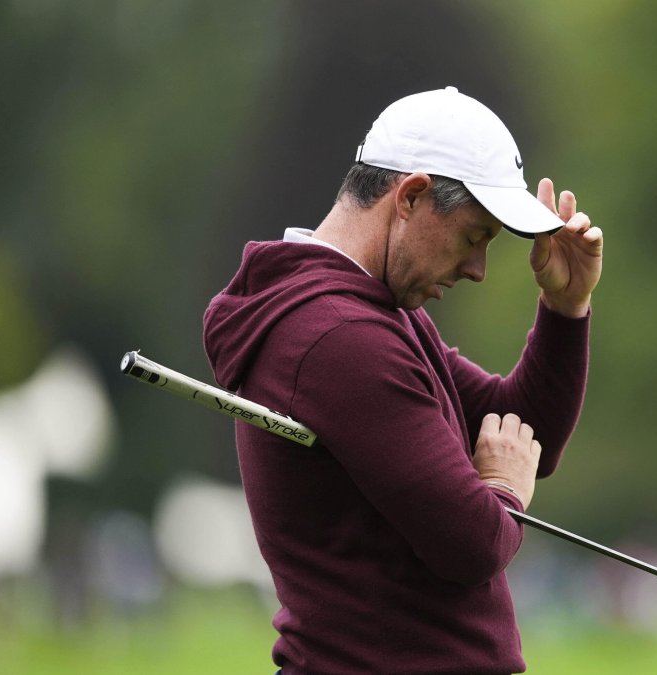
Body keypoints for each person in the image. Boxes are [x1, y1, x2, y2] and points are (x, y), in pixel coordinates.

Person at [202, 86, 602, 675]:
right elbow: (473, 543)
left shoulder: (377, 317)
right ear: (411, 196)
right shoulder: (338, 337)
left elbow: (521, 431)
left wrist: (566, 309)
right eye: (473, 237)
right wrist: (504, 490)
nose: (478, 270)